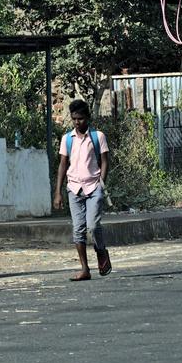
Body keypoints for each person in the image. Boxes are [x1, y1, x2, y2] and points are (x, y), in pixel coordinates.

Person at [53, 99, 112, 281]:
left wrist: (101, 182)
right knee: (78, 229)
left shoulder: (98, 136)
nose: (77, 122)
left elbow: (105, 161)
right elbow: (63, 164)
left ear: (87, 117)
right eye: (74, 119)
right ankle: (85, 268)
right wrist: (58, 191)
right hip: (74, 188)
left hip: (94, 186)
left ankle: (101, 251)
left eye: (80, 119)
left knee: (93, 226)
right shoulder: (67, 139)